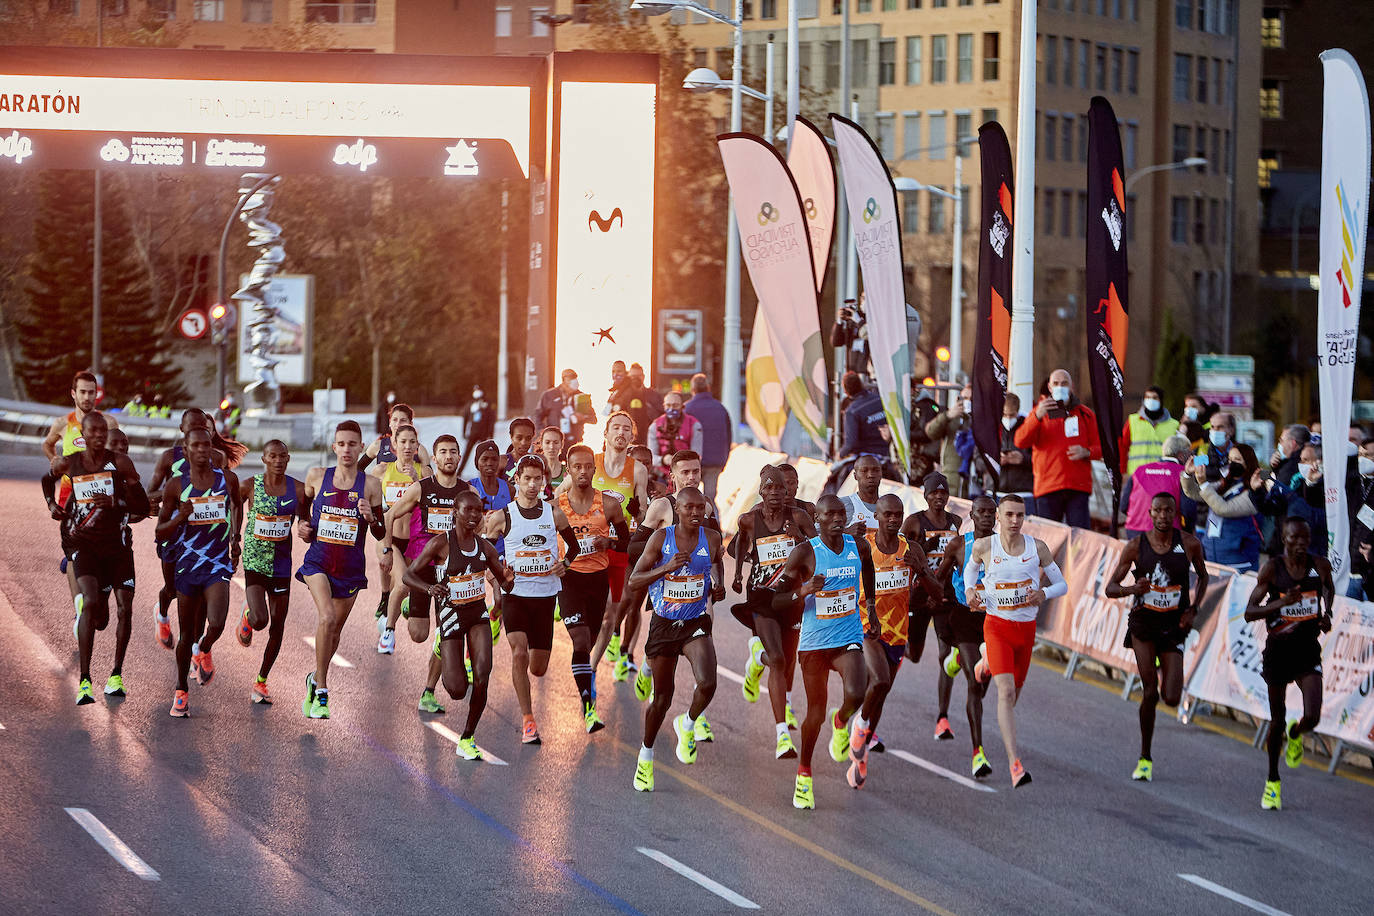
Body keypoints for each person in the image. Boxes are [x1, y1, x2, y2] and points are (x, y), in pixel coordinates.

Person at [593, 449, 720, 735]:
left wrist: (716, 575)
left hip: (696, 589)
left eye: (696, 472)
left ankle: (697, 720)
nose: (691, 477)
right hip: (664, 583)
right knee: (659, 642)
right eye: (685, 472)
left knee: (706, 648)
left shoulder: (706, 506)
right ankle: (648, 669)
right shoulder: (663, 506)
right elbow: (636, 546)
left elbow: (713, 548)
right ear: (673, 476)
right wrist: (665, 550)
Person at [770, 494, 876, 810]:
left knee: (858, 691)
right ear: (817, 519)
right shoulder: (805, 552)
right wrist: (803, 591)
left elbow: (868, 569)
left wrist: (870, 604)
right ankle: (804, 774)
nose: (837, 519)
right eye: (829, 515)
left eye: (840, 513)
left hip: (848, 635)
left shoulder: (858, 545)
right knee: (815, 714)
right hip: (815, 642)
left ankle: (842, 722)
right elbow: (777, 600)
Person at [963, 495, 1068, 786]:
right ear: (998, 516)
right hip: (997, 627)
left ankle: (985, 665)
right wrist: (971, 591)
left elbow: (1062, 584)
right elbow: (970, 570)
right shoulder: (985, 546)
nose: (1014, 521)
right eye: (1009, 515)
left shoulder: (1038, 548)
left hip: (1025, 631)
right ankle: (1015, 764)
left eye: (1019, 515)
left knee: (1014, 698)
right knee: (1005, 693)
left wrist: (1043, 594)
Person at [44, 412, 148, 705]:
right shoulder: (71, 462)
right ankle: (85, 680)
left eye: (104, 431)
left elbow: (141, 504)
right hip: (86, 546)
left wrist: (116, 502)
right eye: (94, 431)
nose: (100, 436)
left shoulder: (122, 464)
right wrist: (53, 504)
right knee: (93, 608)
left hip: (118, 548)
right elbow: (46, 480)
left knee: (125, 608)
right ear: (84, 434)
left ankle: (116, 674)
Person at [1105, 492, 1209, 781]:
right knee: (1149, 692)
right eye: (1158, 511)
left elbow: (1203, 576)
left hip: (1174, 625)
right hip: (1144, 624)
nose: (1163, 516)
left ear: (1174, 514)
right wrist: (1131, 590)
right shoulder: (1136, 547)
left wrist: (1194, 609)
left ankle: (1164, 665)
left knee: (1172, 698)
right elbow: (1110, 588)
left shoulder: (1189, 544)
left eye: (1168, 511)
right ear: (1149, 514)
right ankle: (1145, 757)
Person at [404, 490, 514, 760]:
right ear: (456, 512)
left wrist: (509, 579)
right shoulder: (440, 544)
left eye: (478, 510)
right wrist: (430, 588)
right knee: (456, 690)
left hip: (477, 615)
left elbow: (505, 582)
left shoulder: (485, 548)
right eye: (469, 510)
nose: (475, 516)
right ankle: (443, 648)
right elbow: (408, 575)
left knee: (482, 674)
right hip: (451, 617)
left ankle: (467, 737)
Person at [628, 487, 724, 792]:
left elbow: (717, 561)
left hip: (695, 621)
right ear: (678, 510)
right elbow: (634, 581)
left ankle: (688, 723)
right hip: (664, 623)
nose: (696, 513)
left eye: (701, 508)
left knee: (707, 682)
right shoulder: (661, 539)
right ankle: (646, 754)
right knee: (662, 699)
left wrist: (717, 584)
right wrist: (666, 568)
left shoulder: (711, 538)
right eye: (690, 508)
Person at [485, 454, 581, 744]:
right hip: (516, 596)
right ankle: (528, 721)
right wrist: (502, 574)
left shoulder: (554, 514)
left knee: (538, 668)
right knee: (519, 653)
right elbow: (487, 556)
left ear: (543, 482)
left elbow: (573, 548)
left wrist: (564, 565)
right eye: (526, 478)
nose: (531, 484)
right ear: (516, 480)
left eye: (536, 479)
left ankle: (524, 678)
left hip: (545, 597)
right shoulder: (503, 517)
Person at [298, 420, 387, 719]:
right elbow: (303, 502)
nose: (347, 449)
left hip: (349, 568)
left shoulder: (371, 485)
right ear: (333, 447)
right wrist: (304, 524)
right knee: (326, 617)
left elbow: (379, 531)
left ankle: (314, 677)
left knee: (333, 630)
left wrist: (371, 517)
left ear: (361, 447)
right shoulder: (317, 475)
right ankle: (322, 689)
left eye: (353, 444)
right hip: (318, 562)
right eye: (342, 443)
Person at [847, 494, 937, 790]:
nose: (894, 520)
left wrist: (921, 570)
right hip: (865, 625)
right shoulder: (865, 546)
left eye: (898, 515)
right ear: (878, 517)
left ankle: (860, 758)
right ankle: (859, 728)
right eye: (888, 514)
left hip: (898, 633)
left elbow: (936, 593)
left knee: (879, 695)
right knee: (881, 681)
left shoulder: (911, 549)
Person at [1244, 518, 1334, 811]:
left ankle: (1297, 734)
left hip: (1307, 649)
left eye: (1305, 538)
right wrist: (1281, 603)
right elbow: (1250, 612)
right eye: (1294, 538)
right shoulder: (1273, 569)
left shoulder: (1319, 565)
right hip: (1279, 652)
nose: (1300, 543)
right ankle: (1272, 782)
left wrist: (1327, 613)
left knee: (1313, 716)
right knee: (1277, 720)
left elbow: (1328, 588)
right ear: (1284, 538)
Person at [155, 426, 242, 718]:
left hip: (217, 564)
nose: (203, 450)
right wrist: (181, 515)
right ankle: (181, 690)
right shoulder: (177, 486)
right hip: (187, 565)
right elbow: (160, 530)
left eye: (207, 445)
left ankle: (203, 648)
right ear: (187, 448)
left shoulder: (227, 479)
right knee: (186, 632)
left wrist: (235, 539)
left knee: (216, 623)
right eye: (197, 446)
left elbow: (237, 504)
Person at [382, 434, 471, 715]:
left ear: (458, 458)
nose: (448, 456)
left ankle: (428, 692)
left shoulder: (467, 491)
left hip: (454, 573)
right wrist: (386, 547)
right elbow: (390, 515)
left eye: (453, 452)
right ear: (433, 458)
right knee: (419, 635)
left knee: (447, 636)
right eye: (442, 452)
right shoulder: (421, 488)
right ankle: (409, 605)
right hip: (424, 569)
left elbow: (476, 529)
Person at [733, 465, 817, 758]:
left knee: (787, 657)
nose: (775, 494)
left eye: (780, 488)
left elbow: (819, 550)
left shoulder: (799, 517)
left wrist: (800, 538)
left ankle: (758, 658)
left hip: (791, 598)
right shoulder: (748, 519)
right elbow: (738, 544)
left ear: (787, 491)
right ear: (761, 491)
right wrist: (738, 576)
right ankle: (782, 734)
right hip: (761, 597)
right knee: (779, 660)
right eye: (768, 488)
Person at [147, 408, 243, 649]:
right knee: (172, 589)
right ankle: (162, 613)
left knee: (200, 597)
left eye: (203, 428)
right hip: (174, 536)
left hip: (205, 540)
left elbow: (229, 498)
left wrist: (233, 537)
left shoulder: (217, 458)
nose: (197, 433)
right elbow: (152, 493)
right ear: (183, 431)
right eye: (191, 429)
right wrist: (175, 499)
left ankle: (194, 648)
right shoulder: (169, 457)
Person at [557, 444, 631, 733]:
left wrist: (609, 543)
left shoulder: (609, 504)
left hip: (597, 581)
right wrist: (556, 564)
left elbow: (627, 541)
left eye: (588, 466)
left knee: (589, 640)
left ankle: (586, 691)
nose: (583, 471)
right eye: (577, 466)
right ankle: (588, 706)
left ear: (594, 469)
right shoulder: (557, 505)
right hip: (570, 581)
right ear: (569, 470)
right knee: (580, 642)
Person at [234, 439, 308, 705]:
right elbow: (234, 505)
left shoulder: (297, 489)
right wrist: (234, 538)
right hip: (255, 561)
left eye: (282, 456)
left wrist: (305, 529)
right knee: (260, 620)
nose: (278, 461)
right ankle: (247, 616)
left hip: (281, 564)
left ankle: (261, 681)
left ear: (288, 459)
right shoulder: (250, 485)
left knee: (277, 626)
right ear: (264, 459)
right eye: (272, 456)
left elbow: (305, 519)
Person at [937, 494, 998, 778]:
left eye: (991, 512)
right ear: (972, 516)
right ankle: (978, 753)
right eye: (981, 512)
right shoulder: (959, 545)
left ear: (996, 516)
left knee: (983, 684)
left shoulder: (1008, 547)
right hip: (964, 617)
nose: (986, 516)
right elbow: (939, 576)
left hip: (995, 621)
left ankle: (956, 659)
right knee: (975, 683)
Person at [901, 472, 963, 739]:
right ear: (925, 496)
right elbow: (900, 554)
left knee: (945, 655)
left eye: (943, 493)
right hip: (918, 595)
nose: (939, 497)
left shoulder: (956, 521)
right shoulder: (915, 522)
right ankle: (895, 648)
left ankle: (942, 717)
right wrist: (924, 548)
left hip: (943, 595)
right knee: (914, 655)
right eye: (933, 493)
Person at [1014, 368, 1101, 529]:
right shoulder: (1038, 413)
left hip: (1078, 487)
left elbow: (1100, 448)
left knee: (1080, 538)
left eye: (1064, 383)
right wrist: (1037, 417)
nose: (1060, 386)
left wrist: (1086, 452)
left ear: (1071, 386)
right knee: (1049, 538)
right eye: (1056, 383)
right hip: (1048, 486)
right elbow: (1020, 441)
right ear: (1049, 387)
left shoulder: (1086, 414)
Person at [371, 424, 429, 653]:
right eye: (402, 441)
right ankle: (388, 632)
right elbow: (369, 501)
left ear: (417, 445)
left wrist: (417, 480)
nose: (407, 446)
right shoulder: (382, 471)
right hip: (390, 538)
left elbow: (432, 507)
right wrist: (384, 546)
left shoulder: (425, 473)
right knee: (404, 581)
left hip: (414, 543)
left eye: (411, 442)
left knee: (403, 586)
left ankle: (392, 607)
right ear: (394, 444)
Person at [1181, 444, 1265, 572]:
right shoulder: (1225, 484)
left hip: (1240, 564)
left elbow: (1223, 508)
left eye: (1237, 460)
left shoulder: (1254, 492)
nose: (1231, 463)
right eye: (1230, 460)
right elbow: (1194, 493)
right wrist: (1188, 474)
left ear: (1248, 463)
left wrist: (1204, 483)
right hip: (1213, 558)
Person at [1258, 442, 1328, 556]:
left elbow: (1310, 514)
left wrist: (1309, 485)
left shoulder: (1326, 486)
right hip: (1287, 548)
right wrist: (1256, 491)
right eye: (1301, 459)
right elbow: (1271, 509)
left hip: (1313, 551)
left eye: (1306, 460)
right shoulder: (1297, 481)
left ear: (1319, 462)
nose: (1301, 464)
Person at [1120, 435, 1189, 540]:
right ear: (1181, 455)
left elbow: (1124, 506)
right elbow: (1188, 511)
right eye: (1189, 453)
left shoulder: (1140, 470)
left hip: (1135, 530)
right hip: (1166, 531)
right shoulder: (1183, 473)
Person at [42, 370, 118, 463]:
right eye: (82, 392)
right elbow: (47, 444)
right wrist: (54, 460)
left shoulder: (109, 423)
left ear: (96, 394)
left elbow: (118, 452)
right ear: (73, 394)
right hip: (70, 477)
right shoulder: (62, 423)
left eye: (91, 392)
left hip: (99, 477)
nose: (86, 397)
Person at [684, 373, 732, 501]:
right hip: (715, 461)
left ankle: (693, 521)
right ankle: (711, 520)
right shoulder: (720, 408)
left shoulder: (687, 408)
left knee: (690, 498)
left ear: (692, 389)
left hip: (691, 462)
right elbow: (728, 435)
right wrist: (724, 459)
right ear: (708, 388)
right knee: (709, 499)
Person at [1120, 385, 1181, 478]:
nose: (1151, 400)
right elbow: (1123, 446)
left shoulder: (1174, 424)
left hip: (1163, 475)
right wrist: (1123, 471)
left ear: (1161, 400)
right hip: (1137, 475)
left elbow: (1179, 452)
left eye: (1154, 398)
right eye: (1147, 397)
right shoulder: (1132, 420)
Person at [647, 390, 703, 490]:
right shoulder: (654, 426)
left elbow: (697, 455)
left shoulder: (694, 425)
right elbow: (651, 457)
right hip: (662, 475)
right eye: (668, 405)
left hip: (686, 475)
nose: (671, 409)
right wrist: (663, 460)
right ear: (663, 406)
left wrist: (682, 464)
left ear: (682, 406)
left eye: (675, 405)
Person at [925, 385, 973, 497]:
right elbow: (931, 432)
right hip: (951, 477)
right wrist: (947, 415)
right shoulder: (951, 418)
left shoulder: (982, 419)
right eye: (965, 398)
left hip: (973, 479)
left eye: (971, 399)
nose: (968, 402)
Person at [359, 402, 432, 472]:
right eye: (395, 420)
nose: (398, 424)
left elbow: (430, 480)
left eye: (403, 420)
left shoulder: (419, 449)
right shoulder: (378, 445)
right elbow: (358, 468)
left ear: (411, 424)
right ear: (390, 423)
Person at [537, 369, 597, 446]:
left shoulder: (582, 397)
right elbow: (538, 416)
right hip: (554, 441)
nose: (574, 380)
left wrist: (583, 418)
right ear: (564, 380)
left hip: (575, 442)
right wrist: (543, 433)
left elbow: (593, 419)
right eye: (570, 378)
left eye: (575, 378)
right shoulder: (550, 395)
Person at [838, 372, 889, 462]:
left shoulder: (851, 412)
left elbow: (850, 444)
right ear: (861, 384)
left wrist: (840, 454)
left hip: (868, 458)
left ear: (846, 391)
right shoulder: (881, 399)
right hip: (890, 453)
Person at [998, 393, 1035, 513]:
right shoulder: (993, 427)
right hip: (997, 491)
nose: (1008, 419)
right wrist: (995, 460)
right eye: (1004, 414)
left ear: (1018, 412)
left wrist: (1023, 459)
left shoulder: (1028, 427)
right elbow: (979, 458)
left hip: (1023, 493)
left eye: (1012, 415)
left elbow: (1041, 458)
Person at [458, 385, 496, 475]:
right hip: (473, 432)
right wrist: (464, 432)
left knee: (484, 454)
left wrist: (490, 433)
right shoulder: (470, 404)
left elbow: (491, 419)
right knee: (466, 453)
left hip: (483, 433)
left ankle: (484, 473)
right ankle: (459, 472)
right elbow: (465, 419)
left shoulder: (487, 404)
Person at [841, 454, 883, 533]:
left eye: (876, 470)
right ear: (855, 476)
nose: (870, 475)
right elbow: (818, 537)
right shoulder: (844, 504)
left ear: (881, 474)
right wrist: (846, 532)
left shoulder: (889, 505)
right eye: (864, 470)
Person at [539, 426, 567, 496]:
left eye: (556, 442)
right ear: (541, 444)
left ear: (562, 444)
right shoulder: (533, 470)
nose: (552, 447)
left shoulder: (568, 472)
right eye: (547, 442)